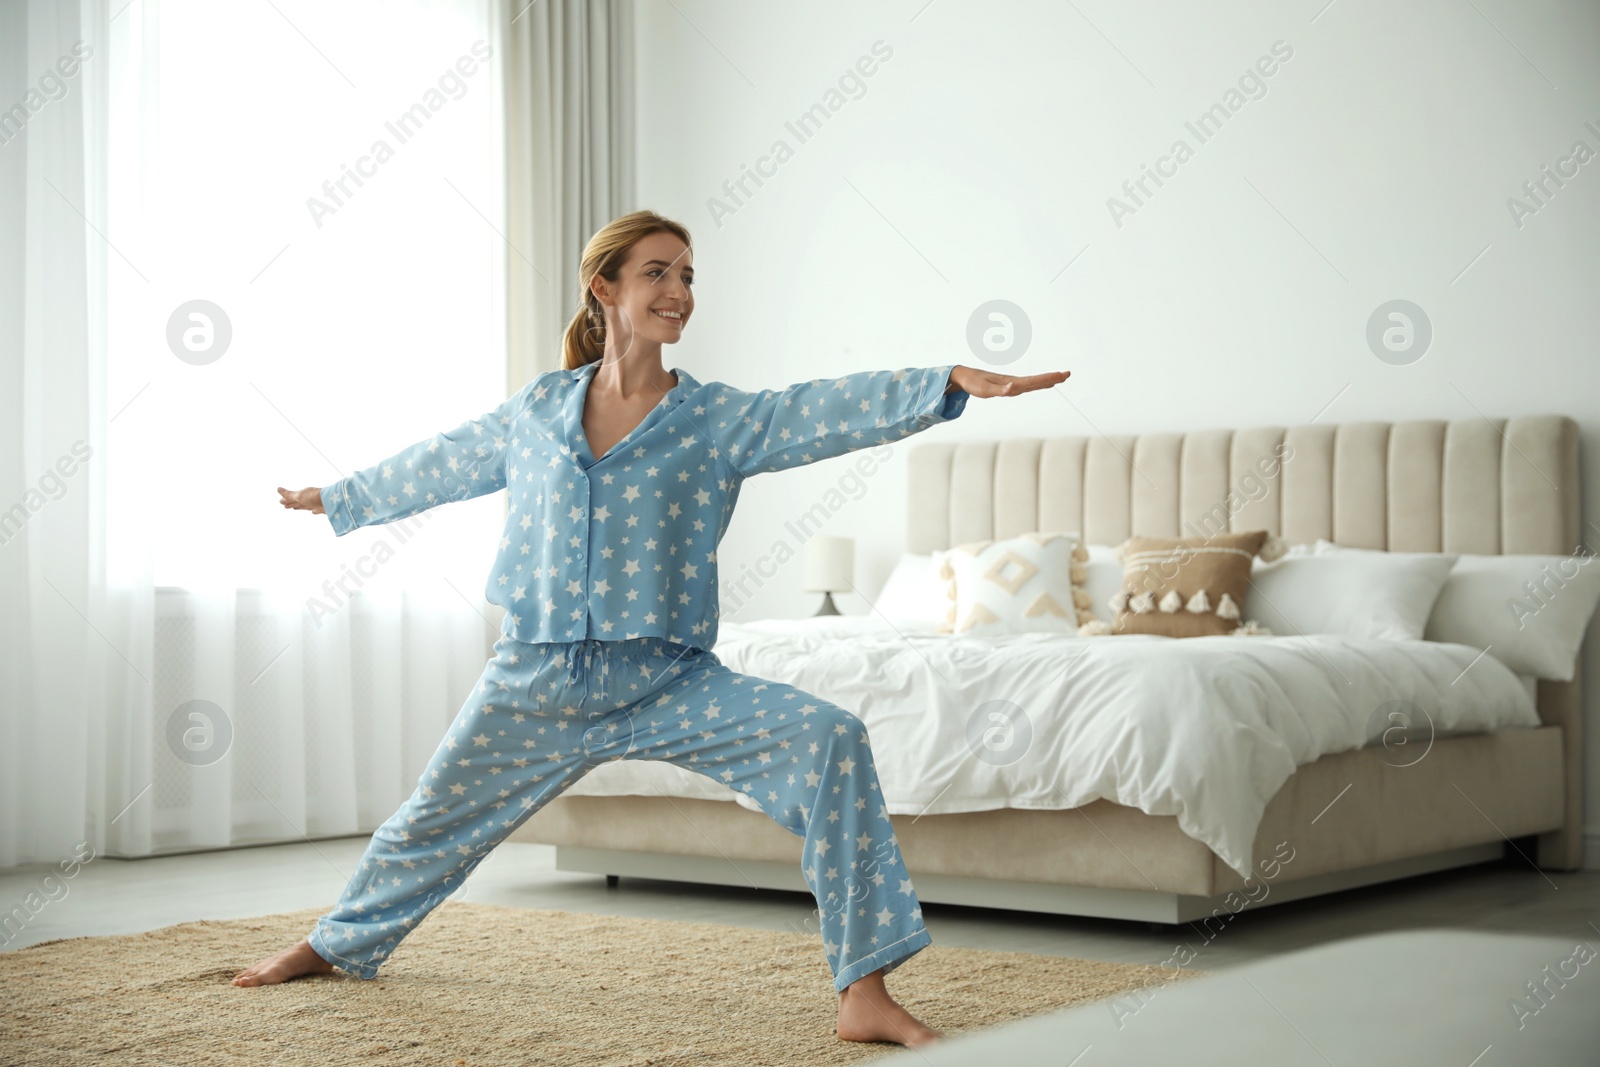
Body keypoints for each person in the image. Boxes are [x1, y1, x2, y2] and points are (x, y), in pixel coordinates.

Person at [235, 209, 1069, 1049]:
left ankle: (865, 991)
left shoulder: (712, 420)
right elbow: (443, 461)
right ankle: (333, 942)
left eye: (689, 276)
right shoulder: (537, 411)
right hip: (538, 677)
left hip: (668, 679)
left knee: (832, 739)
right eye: (659, 273)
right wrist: (338, 497)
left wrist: (947, 382)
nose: (680, 292)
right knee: (432, 815)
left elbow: (824, 409)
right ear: (606, 288)